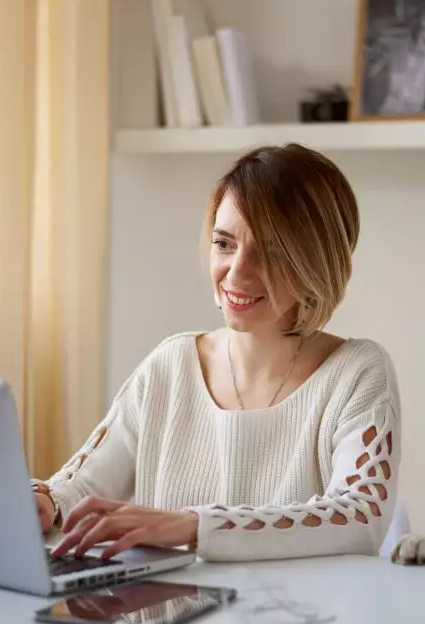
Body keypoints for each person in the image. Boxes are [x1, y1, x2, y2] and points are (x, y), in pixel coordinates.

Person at [32, 143, 402, 562]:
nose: (237, 272)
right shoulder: (169, 367)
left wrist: (193, 527)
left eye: (271, 253)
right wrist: (44, 501)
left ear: (316, 263)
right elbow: (78, 488)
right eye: (224, 244)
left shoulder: (357, 374)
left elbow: (359, 519)